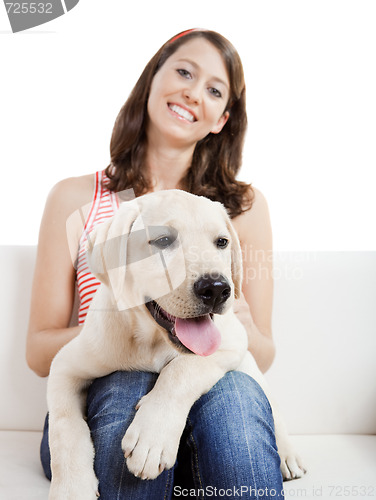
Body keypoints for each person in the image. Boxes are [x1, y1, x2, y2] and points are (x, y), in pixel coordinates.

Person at [26, 28, 283, 499]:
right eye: (184, 71)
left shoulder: (238, 209)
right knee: (127, 383)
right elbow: (40, 351)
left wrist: (216, 327)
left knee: (239, 397)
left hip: (203, 406)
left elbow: (259, 352)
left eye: (213, 89)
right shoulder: (77, 198)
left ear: (222, 118)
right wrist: (127, 327)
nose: (193, 91)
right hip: (105, 402)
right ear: (152, 79)